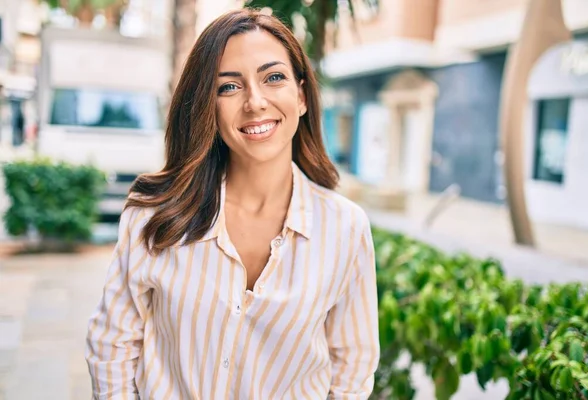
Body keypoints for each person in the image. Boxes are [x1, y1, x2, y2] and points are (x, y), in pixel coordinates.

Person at [85, 8, 379, 399]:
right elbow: (112, 347)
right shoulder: (155, 216)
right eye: (229, 87)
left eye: (274, 77)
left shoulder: (345, 227)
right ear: (208, 107)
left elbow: (352, 365)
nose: (255, 102)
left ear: (302, 96)